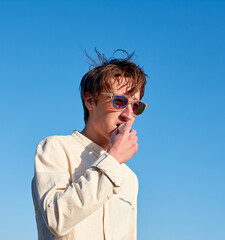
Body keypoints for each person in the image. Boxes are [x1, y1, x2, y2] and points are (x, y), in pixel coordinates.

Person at [31, 49, 148, 240]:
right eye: (119, 101)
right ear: (90, 100)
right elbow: (57, 219)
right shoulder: (56, 148)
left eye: (136, 106)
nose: (128, 115)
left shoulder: (130, 178)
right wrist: (112, 160)